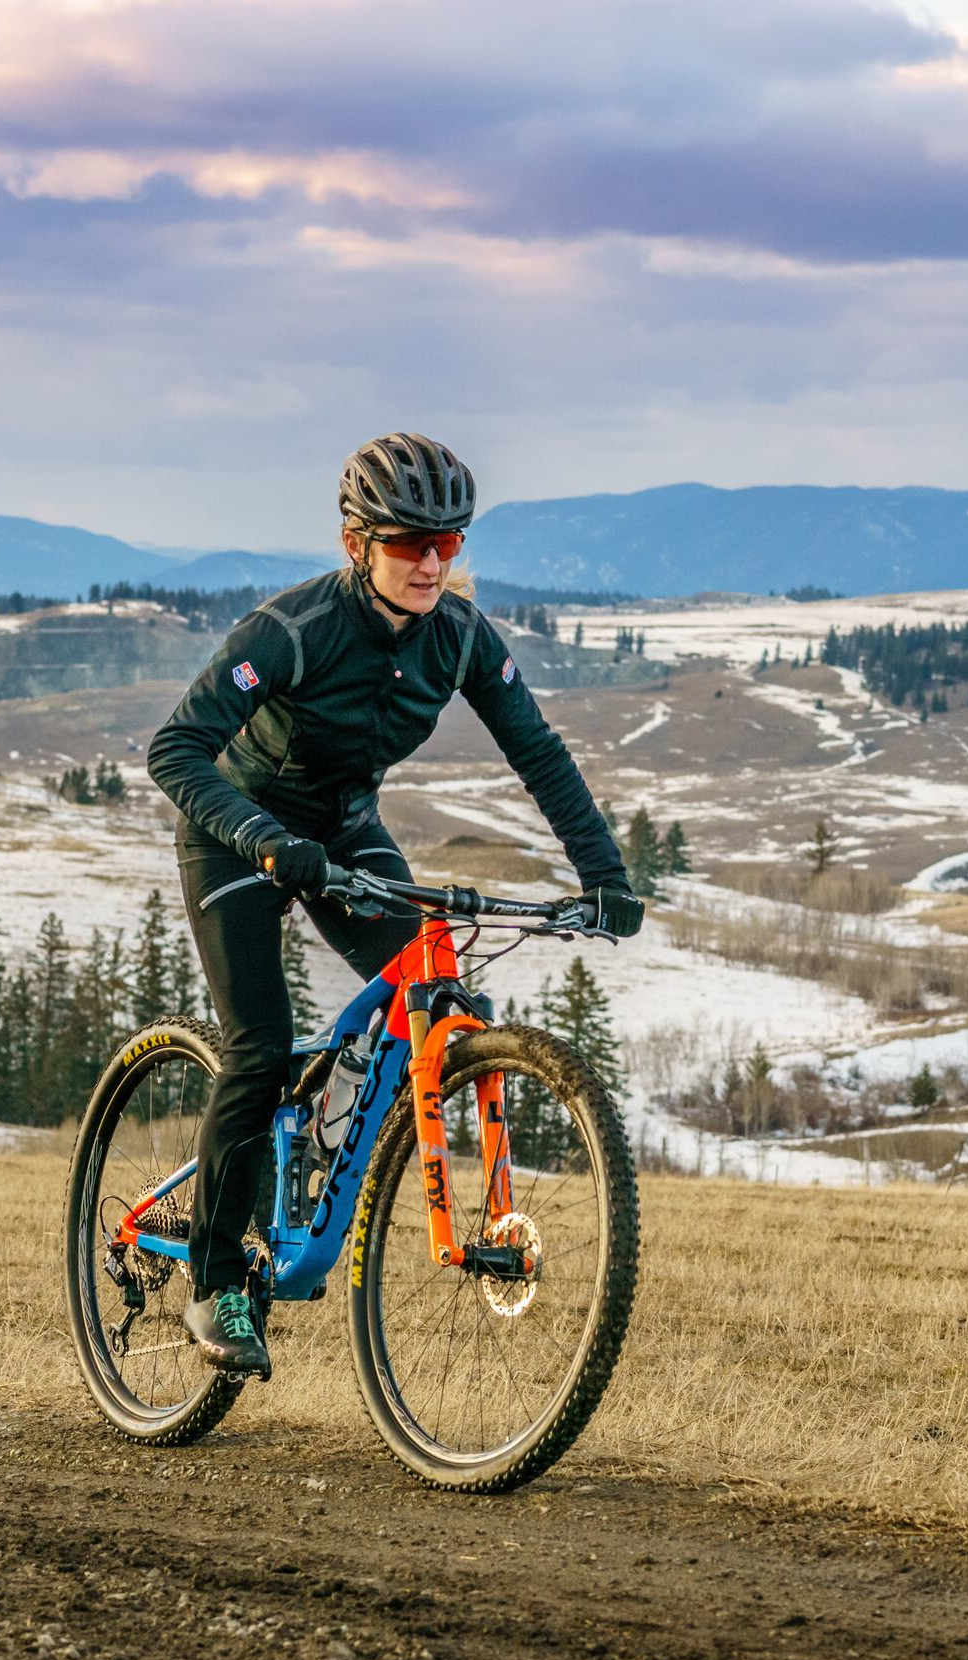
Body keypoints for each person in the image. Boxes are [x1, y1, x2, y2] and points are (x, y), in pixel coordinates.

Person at [145, 433, 643, 1375]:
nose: (428, 562)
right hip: (239, 832)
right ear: (354, 542)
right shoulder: (289, 631)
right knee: (255, 1042)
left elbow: (540, 754)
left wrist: (604, 876)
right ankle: (214, 1282)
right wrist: (263, 839)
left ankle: (323, 1143)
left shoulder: (459, 638)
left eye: (447, 545)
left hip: (340, 828)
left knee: (441, 996)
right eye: (408, 541)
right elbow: (174, 751)